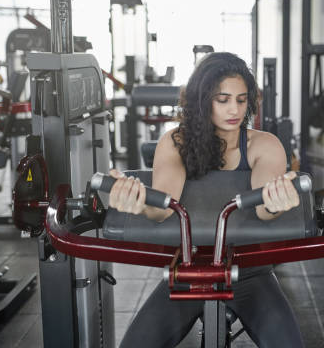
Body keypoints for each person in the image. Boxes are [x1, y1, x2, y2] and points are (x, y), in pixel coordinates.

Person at [109, 52, 305, 348]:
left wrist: (274, 202)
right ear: (203, 100)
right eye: (223, 99)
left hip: (250, 270)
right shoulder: (176, 143)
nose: (234, 109)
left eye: (241, 100)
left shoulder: (264, 145)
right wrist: (139, 202)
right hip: (189, 267)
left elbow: (264, 208)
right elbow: (162, 206)